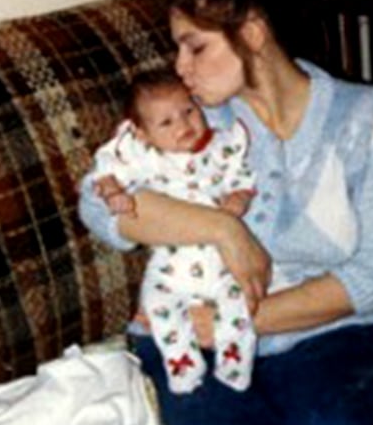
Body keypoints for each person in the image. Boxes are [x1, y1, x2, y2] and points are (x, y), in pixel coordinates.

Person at [78, 0, 373, 425]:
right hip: (193, 327)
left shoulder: (368, 116)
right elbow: (98, 202)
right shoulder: (194, 119)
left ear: (253, 34)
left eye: (195, 47)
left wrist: (240, 319)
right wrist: (223, 229)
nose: (180, 69)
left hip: (322, 332)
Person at [89, 68, 258, 394]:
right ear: (142, 134)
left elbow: (241, 177)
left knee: (237, 306)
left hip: (222, 263)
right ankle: (182, 363)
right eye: (166, 123)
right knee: (157, 304)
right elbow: (106, 173)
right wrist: (114, 192)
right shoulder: (145, 159)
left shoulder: (220, 148)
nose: (183, 125)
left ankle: (234, 362)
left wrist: (238, 198)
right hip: (171, 268)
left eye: (189, 111)